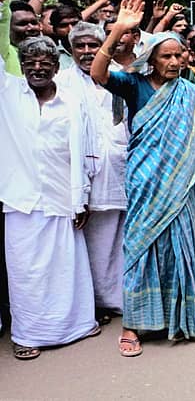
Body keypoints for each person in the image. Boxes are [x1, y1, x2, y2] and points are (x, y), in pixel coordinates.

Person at [91, 0, 195, 357]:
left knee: (181, 247)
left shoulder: (190, 93)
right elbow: (98, 74)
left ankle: (178, 312)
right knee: (140, 248)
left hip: (183, 184)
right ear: (151, 59)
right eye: (166, 56)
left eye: (179, 56)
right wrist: (119, 28)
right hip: (145, 181)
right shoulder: (134, 85)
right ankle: (132, 325)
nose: (175, 61)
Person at [0, 36, 99, 360]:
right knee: (26, 272)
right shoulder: (9, 93)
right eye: (30, 62)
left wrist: (81, 197)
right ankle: (28, 335)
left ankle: (78, 325)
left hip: (63, 196)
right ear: (23, 66)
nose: (37, 67)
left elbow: (84, 150)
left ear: (57, 67)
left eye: (45, 62)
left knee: (66, 268)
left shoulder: (71, 101)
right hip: (22, 199)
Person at [57, 22, 130, 325]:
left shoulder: (121, 78)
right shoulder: (61, 82)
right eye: (80, 46)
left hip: (120, 172)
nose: (87, 52)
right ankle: (93, 303)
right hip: (81, 180)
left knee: (117, 241)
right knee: (88, 244)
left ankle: (116, 300)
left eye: (93, 46)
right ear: (70, 49)